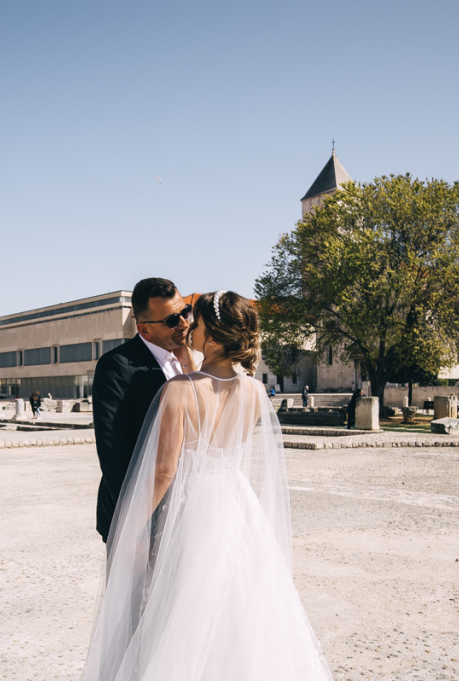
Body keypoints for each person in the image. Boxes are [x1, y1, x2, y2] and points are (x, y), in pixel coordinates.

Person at [82, 291, 332, 680]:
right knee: (235, 606)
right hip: (235, 503)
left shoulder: (180, 390)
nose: (188, 328)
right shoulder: (255, 391)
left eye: (195, 323)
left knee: (179, 608)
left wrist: (132, 525)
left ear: (212, 339)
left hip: (191, 507)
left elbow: (164, 472)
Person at [92, 277, 192, 544]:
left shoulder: (196, 358)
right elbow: (114, 455)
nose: (184, 323)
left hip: (189, 515)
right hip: (140, 516)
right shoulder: (116, 367)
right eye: (172, 320)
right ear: (144, 329)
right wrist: (134, 524)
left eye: (185, 312)